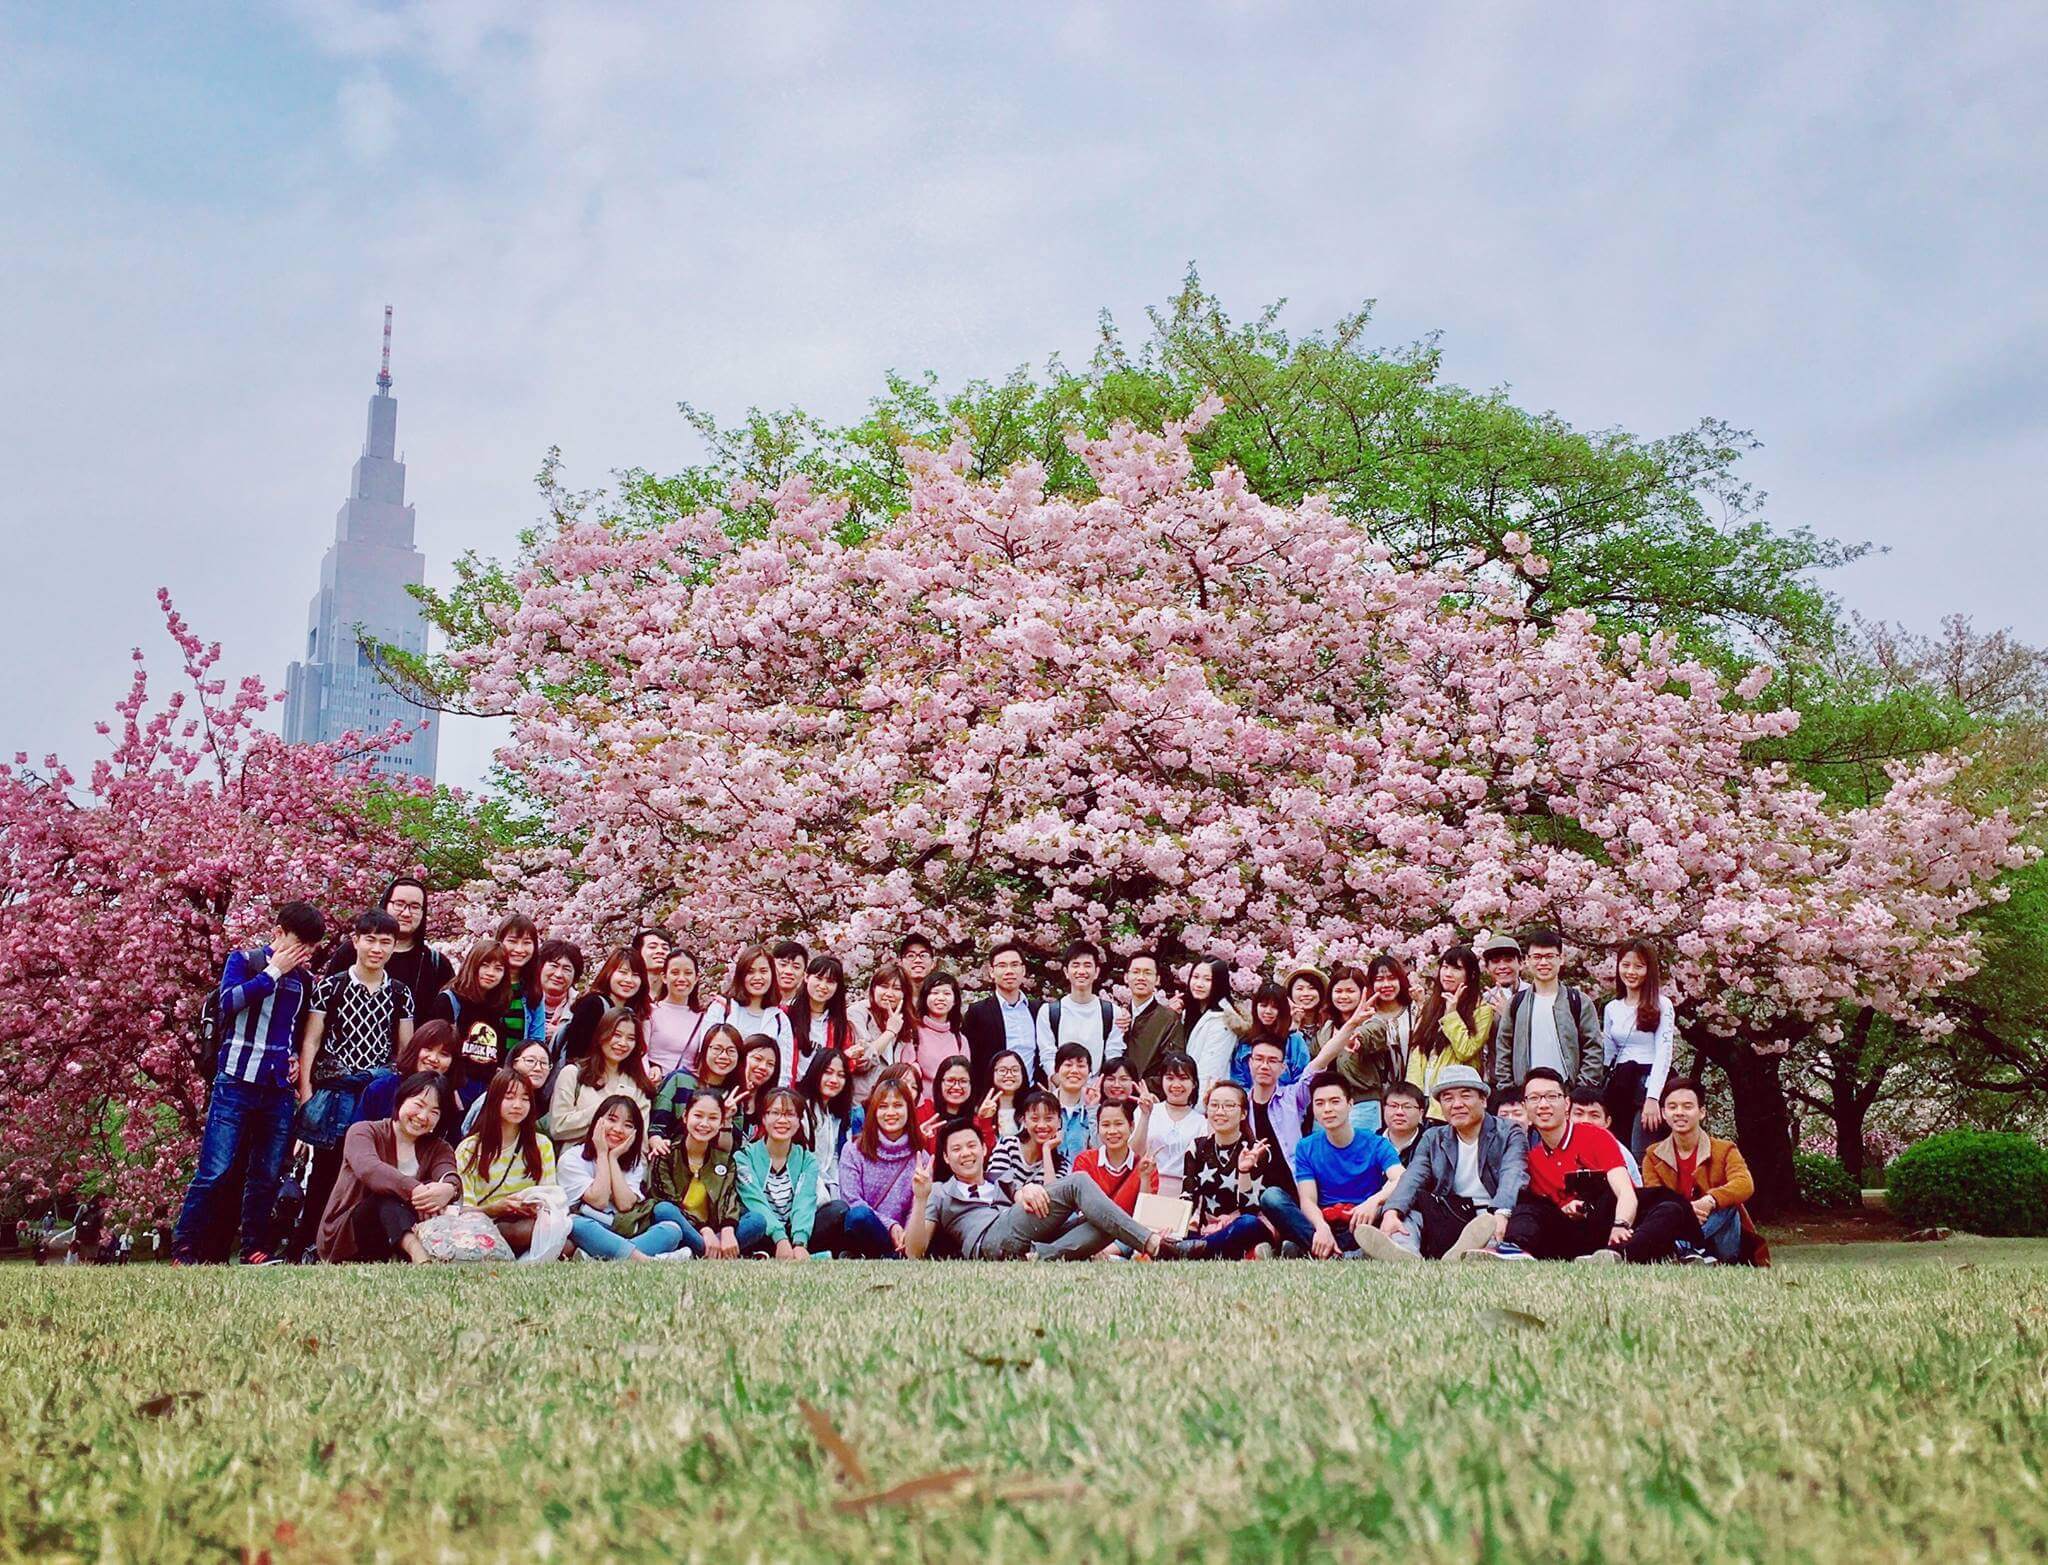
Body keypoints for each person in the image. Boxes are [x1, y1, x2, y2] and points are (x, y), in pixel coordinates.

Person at [172, 900, 327, 1266]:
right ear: (277, 933)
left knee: (268, 1173)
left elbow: (298, 1029)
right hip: (235, 1081)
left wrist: (293, 1060)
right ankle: (184, 1248)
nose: (301, 952)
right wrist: (272, 972)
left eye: (309, 947)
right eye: (296, 942)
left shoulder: (305, 981)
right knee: (216, 1169)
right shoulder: (244, 961)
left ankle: (255, 1247)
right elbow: (229, 1003)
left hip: (276, 1088)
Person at [290, 909, 417, 1261]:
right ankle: (308, 1245)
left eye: (385, 942)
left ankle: (360, 1247)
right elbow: (311, 1042)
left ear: (394, 946)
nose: (377, 949)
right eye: (371, 940)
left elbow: (405, 1050)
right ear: (356, 940)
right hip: (336, 1093)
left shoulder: (400, 993)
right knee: (325, 1174)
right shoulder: (330, 987)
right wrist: (306, 1092)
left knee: (373, 1171)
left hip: (377, 1092)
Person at [907, 1119, 1206, 1261]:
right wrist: (920, 1201)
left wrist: (1027, 1190)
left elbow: (1020, 1192)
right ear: (946, 1157)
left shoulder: (999, 1178)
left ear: (985, 1149)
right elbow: (914, 1252)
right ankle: (1156, 1245)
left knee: (1105, 1221)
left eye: (972, 1145)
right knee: (1077, 1182)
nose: (966, 1154)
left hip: (1026, 1233)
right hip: (990, 1240)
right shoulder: (939, 1191)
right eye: (956, 1149)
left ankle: (1039, 1257)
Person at [1505, 1067, 1691, 1263]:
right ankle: (1512, 1249)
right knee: (1528, 1208)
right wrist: (1567, 1209)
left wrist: (1621, 1224)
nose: (1543, 1105)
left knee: (1669, 1208)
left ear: (1566, 1103)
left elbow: (1625, 1191)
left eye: (1551, 1096)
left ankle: (1621, 1254)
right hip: (1573, 1235)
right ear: (1525, 1106)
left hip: (1614, 1225)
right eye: (1534, 1098)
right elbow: (1546, 1212)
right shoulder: (1532, 1158)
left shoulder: (1595, 1136)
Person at [1366, 1065, 1528, 1262]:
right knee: (1409, 1210)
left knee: (1517, 1217)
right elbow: (1413, 1176)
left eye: (1465, 1096)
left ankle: (1482, 1248)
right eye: (1448, 1098)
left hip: (1494, 1214)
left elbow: (1513, 1173)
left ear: (1484, 1100)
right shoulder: (1433, 1137)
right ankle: (1403, 1251)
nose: (1456, 1104)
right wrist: (1392, 1212)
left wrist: (1501, 1213)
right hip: (1454, 1212)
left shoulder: (1509, 1132)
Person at [315, 1071, 459, 1264]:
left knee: (434, 1199)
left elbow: (448, 1172)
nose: (423, 1116)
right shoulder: (363, 1131)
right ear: (400, 1100)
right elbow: (369, 1169)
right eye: (418, 1105)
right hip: (351, 1233)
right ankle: (417, 1252)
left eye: (434, 1112)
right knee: (386, 1195)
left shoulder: (439, 1148)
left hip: (407, 1227)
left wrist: (449, 1189)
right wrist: (416, 1190)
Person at [1266, 1073, 1404, 1258]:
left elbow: (1400, 1177)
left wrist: (1373, 1201)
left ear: (1350, 1104)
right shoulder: (1306, 1147)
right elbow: (1308, 1200)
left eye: (1335, 1101)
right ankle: (1340, 1253)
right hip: (1324, 1222)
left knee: (1393, 1212)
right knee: (1271, 1197)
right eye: (1320, 1103)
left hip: (1362, 1220)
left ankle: (1311, 1250)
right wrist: (1321, 1227)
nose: (1327, 1109)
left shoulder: (1376, 1143)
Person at [1641, 1079, 1769, 1265]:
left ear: (1701, 1112)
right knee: (1662, 1210)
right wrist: (1686, 1211)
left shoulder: (1725, 1149)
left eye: (1687, 1106)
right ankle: (1693, 1251)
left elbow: (1745, 1183)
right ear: (1663, 1113)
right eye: (1672, 1107)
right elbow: (1654, 1198)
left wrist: (1709, 1201)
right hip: (1678, 1225)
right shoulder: (1653, 1155)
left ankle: (1685, 1247)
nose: (1679, 1113)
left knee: (1727, 1200)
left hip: (1724, 1241)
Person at [560, 1095, 685, 1260]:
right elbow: (598, 1201)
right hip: (591, 1232)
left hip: (624, 1231)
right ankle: (644, 1260)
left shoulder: (634, 1165)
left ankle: (607, 1257)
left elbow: (625, 1205)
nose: (618, 1129)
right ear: (597, 1121)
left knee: (672, 1229)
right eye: (612, 1120)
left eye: (628, 1125)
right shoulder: (572, 1158)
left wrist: (613, 1159)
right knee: (575, 1223)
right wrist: (603, 1153)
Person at [456, 1067, 559, 1255]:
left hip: (531, 1220)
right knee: (528, 1233)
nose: (518, 1105)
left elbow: (549, 1196)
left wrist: (533, 1206)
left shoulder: (541, 1144)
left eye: (525, 1098)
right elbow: (464, 1211)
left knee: (555, 1232)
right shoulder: (469, 1148)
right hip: (485, 1223)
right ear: (494, 1100)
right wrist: (495, 1209)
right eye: (509, 1097)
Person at [1491, 928, 1601, 1092]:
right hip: (1526, 1093)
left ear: (1561, 958)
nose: (1543, 963)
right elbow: (1504, 1049)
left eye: (1550, 956)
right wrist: (1508, 1089)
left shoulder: (1578, 1001)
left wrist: (1581, 1088)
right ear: (1527, 961)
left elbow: (1593, 1047)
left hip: (1567, 1092)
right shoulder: (1517, 1003)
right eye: (1536, 957)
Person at [1183, 1081, 1282, 1259]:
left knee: (1248, 1224)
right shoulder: (1197, 1147)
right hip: (1207, 1228)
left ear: (1243, 1113)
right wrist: (1188, 1225)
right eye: (1214, 1105)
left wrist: (1244, 1172)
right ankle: (1214, 1249)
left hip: (1245, 1225)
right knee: (1176, 1232)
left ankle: (1195, 1251)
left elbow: (1251, 1210)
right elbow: (1187, 1196)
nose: (1220, 1112)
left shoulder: (1257, 1150)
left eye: (1229, 1106)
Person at [321, 876, 452, 1007]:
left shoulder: (436, 963)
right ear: (386, 905)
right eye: (399, 904)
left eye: (415, 907)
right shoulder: (352, 951)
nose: (406, 913)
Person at [1602, 939, 1677, 1159]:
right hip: (1621, 1082)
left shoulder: (1662, 1004)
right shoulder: (1611, 1008)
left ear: (1649, 970)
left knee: (1641, 1151)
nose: (1631, 972)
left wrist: (1653, 1098)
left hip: (1649, 1082)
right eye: (1625, 965)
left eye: (1638, 966)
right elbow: (1608, 1054)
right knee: (1617, 1150)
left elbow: (1664, 1053)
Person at [735, 1087, 831, 1258]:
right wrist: (780, 1238)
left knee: (837, 1211)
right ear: (764, 1118)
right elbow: (754, 1201)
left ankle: (798, 1251)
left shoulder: (806, 1159)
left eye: (790, 1114)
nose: (782, 1120)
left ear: (799, 1120)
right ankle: (771, 1251)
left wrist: (799, 1241)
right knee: (755, 1222)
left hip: (794, 1228)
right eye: (775, 1113)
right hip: (766, 1230)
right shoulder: (744, 1157)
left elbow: (805, 1200)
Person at [648, 1090, 744, 1259]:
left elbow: (728, 1200)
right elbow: (668, 1200)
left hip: (716, 1229)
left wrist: (727, 1229)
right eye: (698, 1116)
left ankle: (696, 1252)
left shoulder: (725, 1160)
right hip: (684, 1226)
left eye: (713, 1118)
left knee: (756, 1221)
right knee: (663, 1209)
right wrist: (703, 1230)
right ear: (685, 1117)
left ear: (722, 1123)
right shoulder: (666, 1154)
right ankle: (707, 1250)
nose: (704, 1124)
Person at [834, 1077, 921, 1258]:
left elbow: (916, 1206)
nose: (890, 1112)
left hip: (902, 1239)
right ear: (874, 1111)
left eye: (897, 1105)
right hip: (867, 1229)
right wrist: (890, 1226)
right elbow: (852, 1200)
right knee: (859, 1215)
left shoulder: (920, 1157)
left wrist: (905, 1233)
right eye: (883, 1106)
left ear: (909, 1110)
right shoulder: (853, 1150)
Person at [548, 1007, 658, 1148]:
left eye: (631, 1038)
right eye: (616, 1035)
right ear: (601, 1035)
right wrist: (605, 1110)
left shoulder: (637, 1085)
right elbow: (558, 1128)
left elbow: (639, 1143)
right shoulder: (573, 1074)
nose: (623, 1043)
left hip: (620, 1166)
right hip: (577, 1163)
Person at [1407, 947, 1495, 1117]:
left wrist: (1452, 1014)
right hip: (1422, 1099)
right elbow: (1417, 1051)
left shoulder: (1482, 1010)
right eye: (1445, 967)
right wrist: (1412, 1097)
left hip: (1451, 1100)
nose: (1448, 973)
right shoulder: (1431, 1005)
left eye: (1456, 969)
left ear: (1471, 975)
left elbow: (1466, 1050)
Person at [425, 939, 528, 1065]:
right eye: (484, 965)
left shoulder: (498, 1004)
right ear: (473, 965)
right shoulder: (449, 1000)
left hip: (486, 1081)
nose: (491, 973)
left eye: (498, 969)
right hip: (456, 1081)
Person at [705, 946, 797, 1086]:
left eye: (763, 971)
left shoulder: (779, 1019)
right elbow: (705, 1051)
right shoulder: (722, 1009)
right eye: (750, 971)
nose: (757, 978)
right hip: (720, 1089)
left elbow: (783, 1071)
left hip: (759, 1097)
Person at [1333, 954, 1410, 1116]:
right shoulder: (1365, 1015)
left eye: (1391, 978)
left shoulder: (1414, 1011)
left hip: (1412, 1092)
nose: (1386, 984)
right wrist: (1357, 1040)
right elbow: (1365, 1034)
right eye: (1379, 979)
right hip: (1378, 1097)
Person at [1034, 940, 1123, 1081]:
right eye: (1075, 965)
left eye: (1087, 965)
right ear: (1066, 972)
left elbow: (1114, 1055)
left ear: (1096, 972)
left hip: (1096, 1094)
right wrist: (1061, 1083)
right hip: (1060, 1093)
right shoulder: (1049, 1012)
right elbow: (1047, 1055)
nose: (1081, 971)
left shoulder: (1112, 1013)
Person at [962, 941, 1040, 1093]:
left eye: (1015, 964)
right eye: (1002, 965)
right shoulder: (977, 1012)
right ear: (991, 971)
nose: (1009, 971)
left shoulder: (1038, 1009)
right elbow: (971, 1060)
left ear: (1023, 970)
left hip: (1032, 1096)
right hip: (993, 1097)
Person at [558, 949, 651, 1070]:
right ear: (609, 973)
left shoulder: (634, 1013)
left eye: (636, 975)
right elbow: (575, 1053)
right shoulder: (593, 1005)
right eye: (623, 972)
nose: (629, 980)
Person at [358, 1021, 460, 1128]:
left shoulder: (449, 1101)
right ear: (415, 1047)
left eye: (444, 1054)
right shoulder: (380, 1089)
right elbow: (356, 1134)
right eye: (428, 1049)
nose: (433, 1058)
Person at [1139, 1051, 1205, 1198]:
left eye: (1183, 1078)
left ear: (1194, 1083)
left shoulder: (1202, 1122)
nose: (1176, 1085)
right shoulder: (1146, 1110)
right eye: (1170, 1078)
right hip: (1145, 1187)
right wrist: (1145, 1116)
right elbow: (1133, 1152)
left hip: (1185, 1194)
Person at [462, 1037, 554, 1138]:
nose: (538, 1068)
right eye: (530, 1061)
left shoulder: (547, 1105)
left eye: (544, 1063)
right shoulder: (493, 1097)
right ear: (514, 1063)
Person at [1182, 957, 1249, 1095]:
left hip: (1205, 1098)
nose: (1199, 984)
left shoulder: (1223, 1020)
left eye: (1207, 979)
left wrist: (1194, 1106)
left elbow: (1210, 1070)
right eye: (1195, 977)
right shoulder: (1190, 1012)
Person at [1072, 1098, 1147, 1216]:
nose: (1112, 1131)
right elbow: (1083, 1207)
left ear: (1131, 1126)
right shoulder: (1085, 1161)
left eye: (1119, 1124)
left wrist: (1145, 1178)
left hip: (1130, 1233)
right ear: (1098, 1128)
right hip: (1091, 1229)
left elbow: (1145, 1213)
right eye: (1105, 1125)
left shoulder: (1145, 1167)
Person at [986, 1088, 1070, 1195]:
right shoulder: (1008, 1145)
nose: (1042, 1126)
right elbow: (996, 1187)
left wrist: (1046, 1150)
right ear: (1024, 1121)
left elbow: (1054, 1200)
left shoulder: (1061, 1164)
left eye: (1048, 1119)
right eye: (1034, 1119)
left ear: (1059, 1123)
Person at [797, 1046, 854, 1199]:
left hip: (826, 1188)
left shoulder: (833, 1114)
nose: (834, 1080)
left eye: (841, 1075)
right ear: (816, 1072)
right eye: (828, 1072)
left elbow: (832, 1161)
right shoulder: (801, 1109)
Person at [785, 955, 855, 1080]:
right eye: (818, 978)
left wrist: (849, 1056)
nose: (823, 986)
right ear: (806, 977)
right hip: (789, 1090)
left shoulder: (840, 1027)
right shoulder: (786, 1015)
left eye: (830, 982)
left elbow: (846, 1068)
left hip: (820, 1094)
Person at [1121, 951, 1186, 1081]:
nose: (1141, 977)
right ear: (1126, 977)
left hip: (1147, 1096)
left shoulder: (1168, 1019)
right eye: (1135, 971)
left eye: (1147, 972)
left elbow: (1172, 1067)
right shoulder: (1117, 1015)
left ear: (1157, 980)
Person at [848, 964, 910, 1102]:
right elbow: (862, 1060)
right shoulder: (858, 1013)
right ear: (873, 988)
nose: (889, 993)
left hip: (891, 1101)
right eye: (884, 986)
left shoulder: (904, 1020)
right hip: (860, 1102)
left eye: (897, 989)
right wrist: (890, 1032)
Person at [643, 949, 708, 1078]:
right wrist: (650, 1069)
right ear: (664, 977)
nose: (681, 979)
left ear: (696, 979)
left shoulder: (704, 1018)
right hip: (654, 1085)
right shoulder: (650, 1012)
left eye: (688, 973)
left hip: (687, 1091)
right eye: (675, 973)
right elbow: (641, 1054)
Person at [1229, 983, 1302, 1088]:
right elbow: (1238, 1081)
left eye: (1275, 1007)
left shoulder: (1294, 1041)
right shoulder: (1245, 1042)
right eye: (1263, 1005)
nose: (1268, 1011)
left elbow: (1301, 1081)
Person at [1569, 1088, 1644, 1182]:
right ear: (1566, 1116)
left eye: (1594, 1115)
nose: (1586, 1121)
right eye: (1579, 1114)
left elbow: (1634, 1192)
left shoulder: (1620, 1152)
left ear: (1607, 1122)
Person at [492, 914, 543, 1041]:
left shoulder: (533, 990)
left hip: (517, 1059)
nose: (519, 949)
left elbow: (536, 1039)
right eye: (512, 941)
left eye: (526, 943)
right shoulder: (486, 982)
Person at [914, 1054, 980, 1152]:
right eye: (950, 1080)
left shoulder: (977, 1121)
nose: (957, 1087)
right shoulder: (923, 1113)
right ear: (939, 1083)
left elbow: (986, 1157)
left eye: (963, 1081)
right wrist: (919, 1139)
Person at [912, 971, 969, 1084]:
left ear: (954, 1001)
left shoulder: (960, 1040)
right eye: (935, 993)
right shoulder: (913, 1033)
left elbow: (964, 1078)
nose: (941, 998)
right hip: (921, 1100)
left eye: (947, 993)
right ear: (925, 997)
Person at [727, 1035, 785, 1144]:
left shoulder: (771, 1105)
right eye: (758, 1059)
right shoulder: (726, 1094)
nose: (763, 1067)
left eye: (770, 1064)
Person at [1047, 1043, 1098, 1162]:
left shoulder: (1095, 1109)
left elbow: (1101, 1149)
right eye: (1068, 1065)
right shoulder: (1043, 1106)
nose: (1074, 1071)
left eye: (1081, 1066)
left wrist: (1092, 1110)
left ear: (1089, 1071)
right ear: (1057, 1070)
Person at [531, 939, 583, 1047]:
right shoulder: (523, 999)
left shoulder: (582, 1006)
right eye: (554, 966)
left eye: (567, 969)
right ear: (540, 967)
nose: (558, 974)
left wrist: (561, 1033)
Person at [973, 1048, 1031, 1143]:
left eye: (1015, 1070)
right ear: (992, 1073)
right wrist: (984, 1120)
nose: (1009, 1075)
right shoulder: (980, 1110)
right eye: (1002, 1070)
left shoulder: (1031, 1108)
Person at [1376, 1083, 1430, 1162]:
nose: (1399, 1112)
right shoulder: (1371, 1143)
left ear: (1421, 1113)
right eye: (1393, 1106)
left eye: (1407, 1107)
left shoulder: (1430, 1145)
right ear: (1384, 1109)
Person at [1479, 934, 1524, 1025]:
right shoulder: (1485, 1000)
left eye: (1508, 960)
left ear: (1521, 963)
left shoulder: (1535, 996)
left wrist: (1508, 1015)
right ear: (1487, 968)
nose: (1502, 966)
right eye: (1495, 961)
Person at [771, 939, 810, 1009]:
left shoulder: (809, 1008)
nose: (789, 971)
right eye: (783, 965)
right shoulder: (757, 1004)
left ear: (804, 974)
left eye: (796, 967)